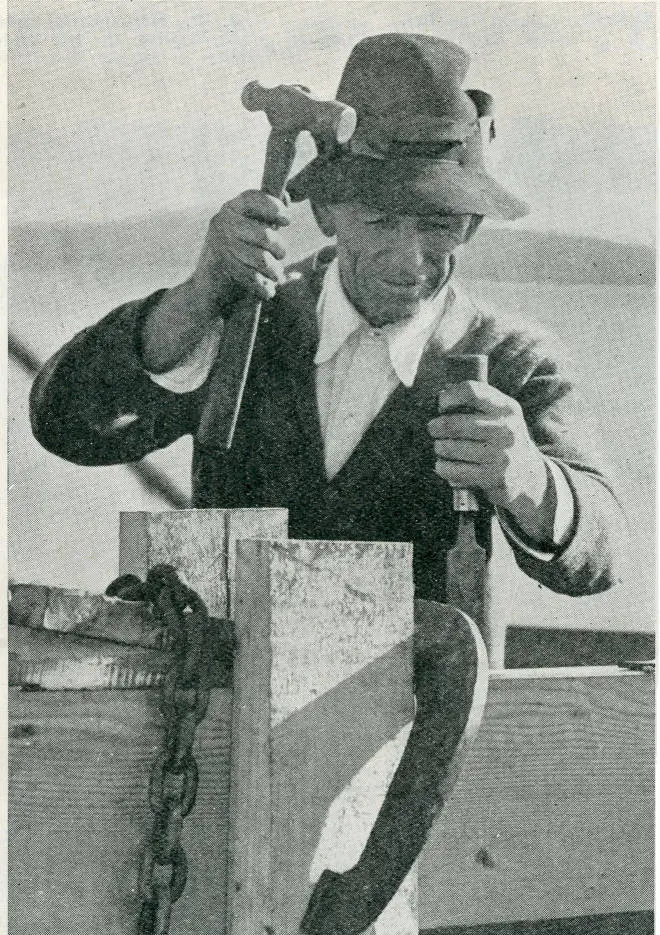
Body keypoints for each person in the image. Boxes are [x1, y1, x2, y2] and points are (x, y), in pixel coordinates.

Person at [30, 33, 622, 627]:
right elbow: (67, 425)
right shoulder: (247, 322)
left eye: (437, 225)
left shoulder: (514, 363)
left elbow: (601, 556)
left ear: (470, 226)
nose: (407, 257)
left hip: (421, 713)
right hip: (222, 702)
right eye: (381, 219)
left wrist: (527, 482)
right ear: (327, 212)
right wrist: (196, 298)